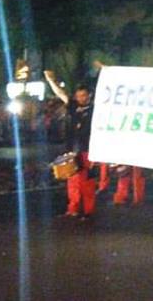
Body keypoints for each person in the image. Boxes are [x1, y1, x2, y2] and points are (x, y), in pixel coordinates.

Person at [44, 70, 96, 221]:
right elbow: (61, 93)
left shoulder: (95, 110)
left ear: (89, 96)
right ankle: (73, 209)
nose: (81, 98)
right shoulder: (73, 106)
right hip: (72, 150)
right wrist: (51, 81)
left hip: (87, 150)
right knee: (73, 181)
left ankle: (88, 211)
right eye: (79, 96)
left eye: (84, 95)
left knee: (87, 182)